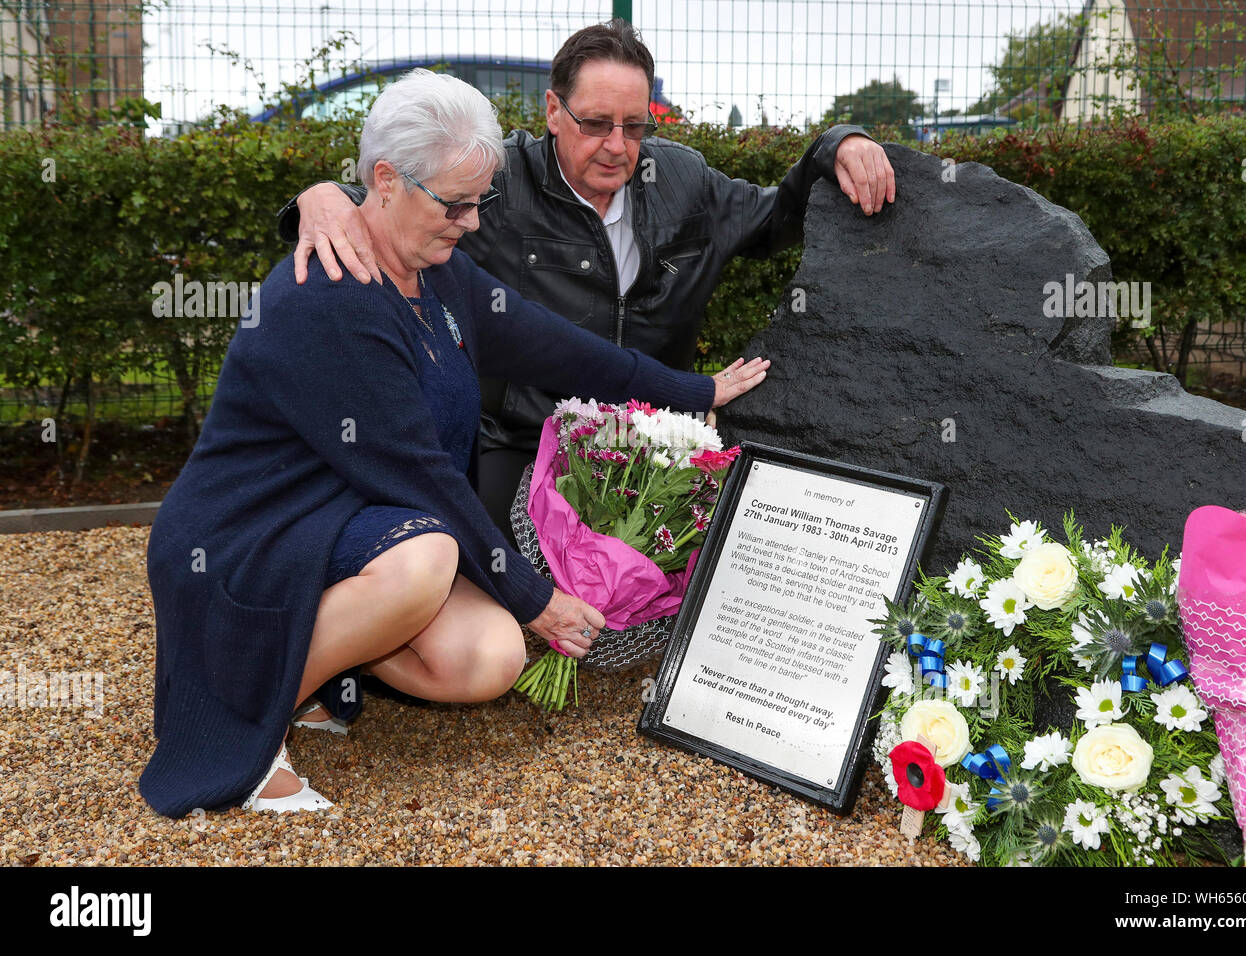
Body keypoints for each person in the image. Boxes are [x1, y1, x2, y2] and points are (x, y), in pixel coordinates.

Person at [140, 69, 767, 818]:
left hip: (345, 518)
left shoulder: (435, 269)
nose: (471, 221)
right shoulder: (333, 299)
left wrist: (692, 392)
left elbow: (553, 346)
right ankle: (237, 717)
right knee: (428, 556)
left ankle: (306, 677)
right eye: (456, 202)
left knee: (489, 658)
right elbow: (423, 479)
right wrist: (540, 600)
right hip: (253, 531)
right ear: (385, 180)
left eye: (481, 202)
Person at [278, 18, 895, 535]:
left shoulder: (684, 183)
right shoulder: (501, 182)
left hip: (660, 437)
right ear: (553, 110)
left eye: (636, 124)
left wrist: (835, 145)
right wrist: (321, 195)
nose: (617, 146)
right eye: (596, 123)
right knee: (490, 572)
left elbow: (776, 219)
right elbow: (390, 203)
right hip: (525, 445)